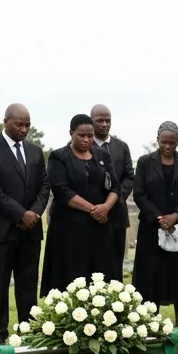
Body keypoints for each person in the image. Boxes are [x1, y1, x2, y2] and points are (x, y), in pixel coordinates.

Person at [0, 103, 50, 345]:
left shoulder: (35, 151)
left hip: (30, 230)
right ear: (5, 121)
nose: (24, 129)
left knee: (28, 283)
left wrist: (35, 213)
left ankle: (27, 329)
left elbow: (44, 186)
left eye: (27, 125)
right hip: (0, 230)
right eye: (19, 124)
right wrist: (21, 214)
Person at [40, 114, 121, 295]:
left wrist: (106, 207)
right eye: (81, 135)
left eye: (90, 135)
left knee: (100, 279)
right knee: (71, 277)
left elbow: (115, 186)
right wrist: (93, 209)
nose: (86, 139)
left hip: (99, 227)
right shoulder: (59, 157)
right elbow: (62, 191)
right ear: (71, 133)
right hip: (69, 230)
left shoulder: (102, 155)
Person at [132, 121, 178, 326]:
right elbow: (139, 193)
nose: (168, 146)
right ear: (157, 140)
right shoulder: (145, 162)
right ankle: (151, 321)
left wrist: (176, 215)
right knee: (152, 275)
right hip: (152, 229)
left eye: (172, 142)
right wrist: (159, 218)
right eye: (164, 142)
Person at [90, 104, 134, 281]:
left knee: (115, 266)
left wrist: (112, 202)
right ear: (91, 120)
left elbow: (129, 177)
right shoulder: (84, 145)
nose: (104, 124)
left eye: (108, 120)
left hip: (116, 215)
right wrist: (98, 207)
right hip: (92, 215)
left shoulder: (121, 147)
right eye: (99, 120)